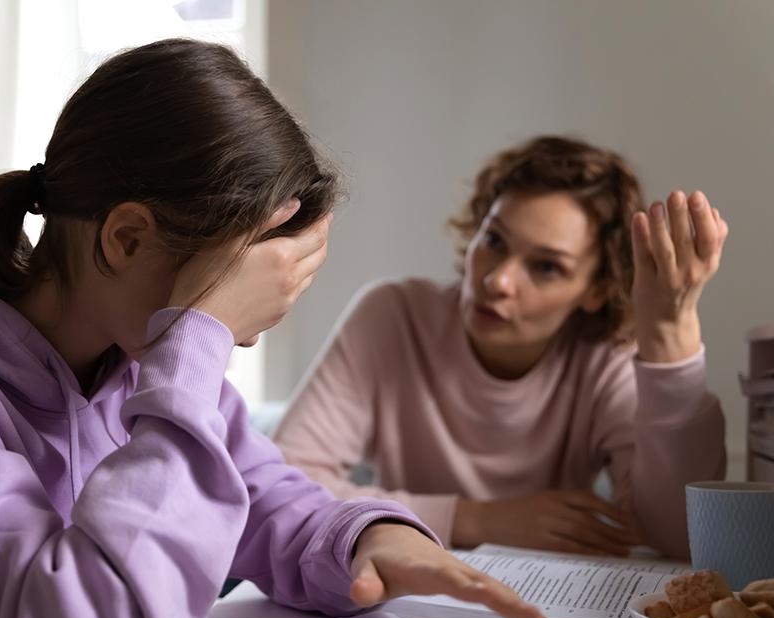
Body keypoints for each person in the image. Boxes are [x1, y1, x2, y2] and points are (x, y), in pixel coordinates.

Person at [0, 40, 544, 618]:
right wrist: (198, 342)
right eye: (231, 306)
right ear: (125, 239)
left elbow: (267, 500)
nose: (241, 339)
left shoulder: (143, 365)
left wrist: (369, 539)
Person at [275, 135, 728, 560]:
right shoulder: (393, 316)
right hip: (402, 589)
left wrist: (670, 333)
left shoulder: (606, 358)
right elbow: (284, 484)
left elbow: (680, 536)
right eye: (493, 241)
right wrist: (479, 520)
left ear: (596, 290)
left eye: (547, 267)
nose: (498, 281)